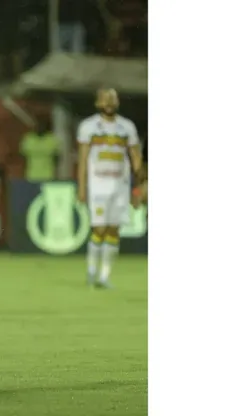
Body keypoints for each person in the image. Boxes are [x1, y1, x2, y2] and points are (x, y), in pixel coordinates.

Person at [77, 88, 144, 288]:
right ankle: (91, 272)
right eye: (105, 100)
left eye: (112, 100)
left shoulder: (127, 127)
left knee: (114, 230)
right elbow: (83, 159)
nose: (109, 103)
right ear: (98, 103)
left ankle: (105, 276)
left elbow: (136, 158)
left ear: (117, 103)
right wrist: (82, 187)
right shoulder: (88, 127)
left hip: (120, 186)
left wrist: (139, 188)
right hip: (98, 185)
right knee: (99, 228)